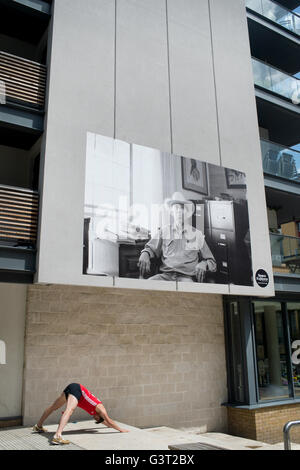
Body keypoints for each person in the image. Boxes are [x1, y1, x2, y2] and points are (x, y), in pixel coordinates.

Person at [138, 192, 217, 283]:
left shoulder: (197, 234)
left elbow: (212, 262)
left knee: (187, 294)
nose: (179, 211)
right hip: (165, 276)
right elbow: (150, 248)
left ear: (187, 212)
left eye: (182, 208)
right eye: (176, 208)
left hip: (186, 278)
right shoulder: (164, 231)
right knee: (147, 285)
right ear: (172, 212)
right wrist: (145, 253)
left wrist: (204, 263)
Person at [33, 383, 129, 445]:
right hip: (78, 389)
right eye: (96, 418)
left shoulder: (95, 412)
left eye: (95, 420)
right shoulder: (101, 409)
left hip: (72, 388)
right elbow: (108, 420)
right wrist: (121, 429)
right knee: (69, 410)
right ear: (100, 416)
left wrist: (108, 426)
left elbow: (105, 423)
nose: (94, 418)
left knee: (54, 407)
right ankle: (57, 436)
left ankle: (38, 426)